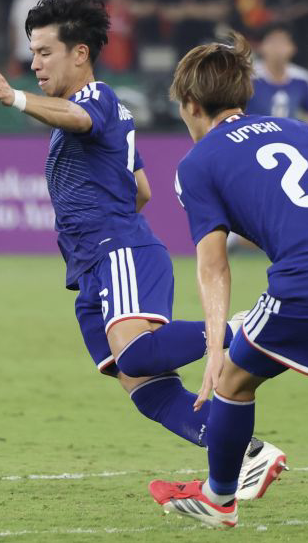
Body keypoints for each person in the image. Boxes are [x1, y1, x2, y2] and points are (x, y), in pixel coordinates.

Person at [0, 0, 283, 497]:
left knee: (138, 355)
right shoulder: (108, 116)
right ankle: (248, 452)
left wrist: (16, 98)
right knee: (143, 387)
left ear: (80, 53)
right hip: (92, 264)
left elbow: (79, 120)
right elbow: (141, 189)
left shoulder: (95, 99)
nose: (34, 64)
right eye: (32, 53)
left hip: (116, 250)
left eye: (45, 52)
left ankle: (240, 329)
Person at [149, 33, 300, 528]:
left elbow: (213, 264)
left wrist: (214, 346)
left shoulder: (198, 163)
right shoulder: (296, 129)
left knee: (232, 379)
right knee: (242, 368)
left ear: (191, 105)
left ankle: (218, 497)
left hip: (302, 280)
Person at [246, 25, 308, 120]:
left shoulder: (302, 78)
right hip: (253, 128)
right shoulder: (248, 76)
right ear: (261, 46)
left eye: (283, 42)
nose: (277, 48)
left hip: (289, 129)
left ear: (293, 48)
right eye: (273, 42)